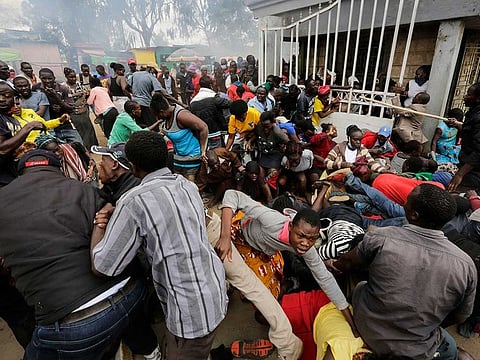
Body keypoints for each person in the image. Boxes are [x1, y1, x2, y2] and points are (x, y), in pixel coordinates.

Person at [0, 149, 159, 359]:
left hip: (72, 323)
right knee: (125, 320)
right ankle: (152, 352)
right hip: (130, 291)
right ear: (58, 169)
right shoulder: (83, 190)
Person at [91, 131, 227, 359]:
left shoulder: (133, 201)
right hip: (213, 289)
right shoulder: (187, 185)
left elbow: (103, 266)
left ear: (132, 167)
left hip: (191, 312)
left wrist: (100, 223)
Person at [335, 184, 477, 360]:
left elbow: (345, 263)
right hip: (419, 347)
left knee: (360, 283)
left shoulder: (381, 238)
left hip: (368, 329)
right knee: (461, 355)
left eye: (407, 201)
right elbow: (461, 316)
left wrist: (331, 263)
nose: (403, 202)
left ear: (413, 214)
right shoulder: (465, 265)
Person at [213, 189, 358, 359]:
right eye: (301, 236)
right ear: (290, 227)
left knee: (270, 296)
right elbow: (231, 195)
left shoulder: (307, 248)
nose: (305, 243)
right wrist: (224, 237)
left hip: (265, 251)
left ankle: (286, 283)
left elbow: (325, 278)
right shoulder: (272, 220)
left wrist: (350, 320)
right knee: (251, 291)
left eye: (312, 239)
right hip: (241, 238)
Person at [150, 92, 208, 181]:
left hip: (192, 156)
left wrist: (203, 150)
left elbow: (203, 127)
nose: (157, 118)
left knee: (190, 186)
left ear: (162, 111)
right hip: (178, 157)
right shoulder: (165, 119)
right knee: (178, 184)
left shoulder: (181, 115)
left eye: (157, 115)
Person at [0, 82, 45, 186]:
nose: (1, 99)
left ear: (15, 99)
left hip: (12, 175)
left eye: (6, 96)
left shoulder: (10, 118)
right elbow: (2, 149)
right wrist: (29, 127)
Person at [33, 68, 83, 144]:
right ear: (40, 78)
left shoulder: (62, 89)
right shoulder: (36, 88)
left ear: (54, 78)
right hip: (47, 126)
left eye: (49, 78)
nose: (47, 81)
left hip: (65, 124)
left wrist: (57, 98)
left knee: (79, 145)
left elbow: (70, 109)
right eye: (44, 78)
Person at [448, 83, 480, 192]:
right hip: (466, 165)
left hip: (474, 171)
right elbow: (471, 131)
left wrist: (460, 174)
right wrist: (458, 124)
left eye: (469, 95)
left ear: (478, 98)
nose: (464, 97)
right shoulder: (473, 113)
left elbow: (478, 151)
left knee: (453, 193)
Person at [190, 76, 231, 149]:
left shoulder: (193, 102)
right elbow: (229, 103)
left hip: (201, 135)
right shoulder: (213, 97)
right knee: (218, 155)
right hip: (215, 134)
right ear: (210, 85)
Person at [64, 67, 98, 149]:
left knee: (88, 128)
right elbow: (64, 98)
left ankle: (92, 146)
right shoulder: (64, 87)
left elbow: (85, 92)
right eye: (71, 77)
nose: (73, 79)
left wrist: (86, 93)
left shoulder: (79, 84)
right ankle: (84, 148)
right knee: (79, 130)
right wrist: (74, 96)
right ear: (66, 77)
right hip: (73, 112)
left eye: (74, 77)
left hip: (83, 110)